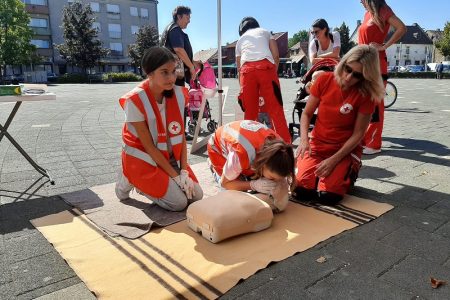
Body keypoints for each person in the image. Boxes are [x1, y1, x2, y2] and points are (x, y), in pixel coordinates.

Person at [293, 45, 385, 206]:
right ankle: (317, 175)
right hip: (317, 145)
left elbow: (359, 134)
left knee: (329, 197)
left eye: (357, 75)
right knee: (302, 191)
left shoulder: (366, 95)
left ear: (366, 77)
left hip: (344, 151)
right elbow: (306, 114)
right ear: (343, 64)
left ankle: (351, 169)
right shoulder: (324, 80)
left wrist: (334, 160)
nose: (349, 77)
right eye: (347, 69)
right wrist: (303, 140)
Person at [115, 46, 203, 211]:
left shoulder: (179, 94)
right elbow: (148, 147)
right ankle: (130, 177)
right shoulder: (134, 100)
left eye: (173, 71)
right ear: (149, 73)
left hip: (168, 157)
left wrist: (183, 171)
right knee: (179, 203)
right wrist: (176, 177)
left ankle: (161, 179)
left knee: (196, 196)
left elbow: (181, 137)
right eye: (164, 72)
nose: (171, 77)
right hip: (144, 159)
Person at [207, 120, 295, 212]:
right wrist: (252, 185)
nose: (273, 181)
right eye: (272, 178)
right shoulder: (241, 154)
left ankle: (247, 174)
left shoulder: (281, 150)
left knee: (280, 198)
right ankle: (215, 169)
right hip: (218, 150)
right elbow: (225, 183)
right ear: (263, 164)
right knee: (233, 202)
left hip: (247, 151)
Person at [358, 0, 406, 155]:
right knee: (364, 102)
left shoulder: (383, 10)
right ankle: (364, 139)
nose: (359, 1)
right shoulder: (367, 14)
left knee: (376, 104)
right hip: (363, 63)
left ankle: (374, 143)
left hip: (377, 64)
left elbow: (401, 28)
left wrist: (384, 46)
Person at [235, 17, 291, 144]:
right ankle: (285, 145)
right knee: (276, 110)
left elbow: (239, 68)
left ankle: (248, 146)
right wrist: (272, 74)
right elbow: (276, 56)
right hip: (266, 67)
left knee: (249, 114)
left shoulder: (240, 40)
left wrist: (242, 88)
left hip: (247, 71)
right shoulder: (266, 32)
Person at [160, 6, 198, 140]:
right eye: (187, 18)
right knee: (178, 102)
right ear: (179, 16)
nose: (189, 21)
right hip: (175, 74)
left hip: (170, 73)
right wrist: (191, 67)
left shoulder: (170, 29)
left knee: (171, 102)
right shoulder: (175, 29)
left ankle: (174, 131)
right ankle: (178, 131)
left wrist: (193, 62)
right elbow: (179, 50)